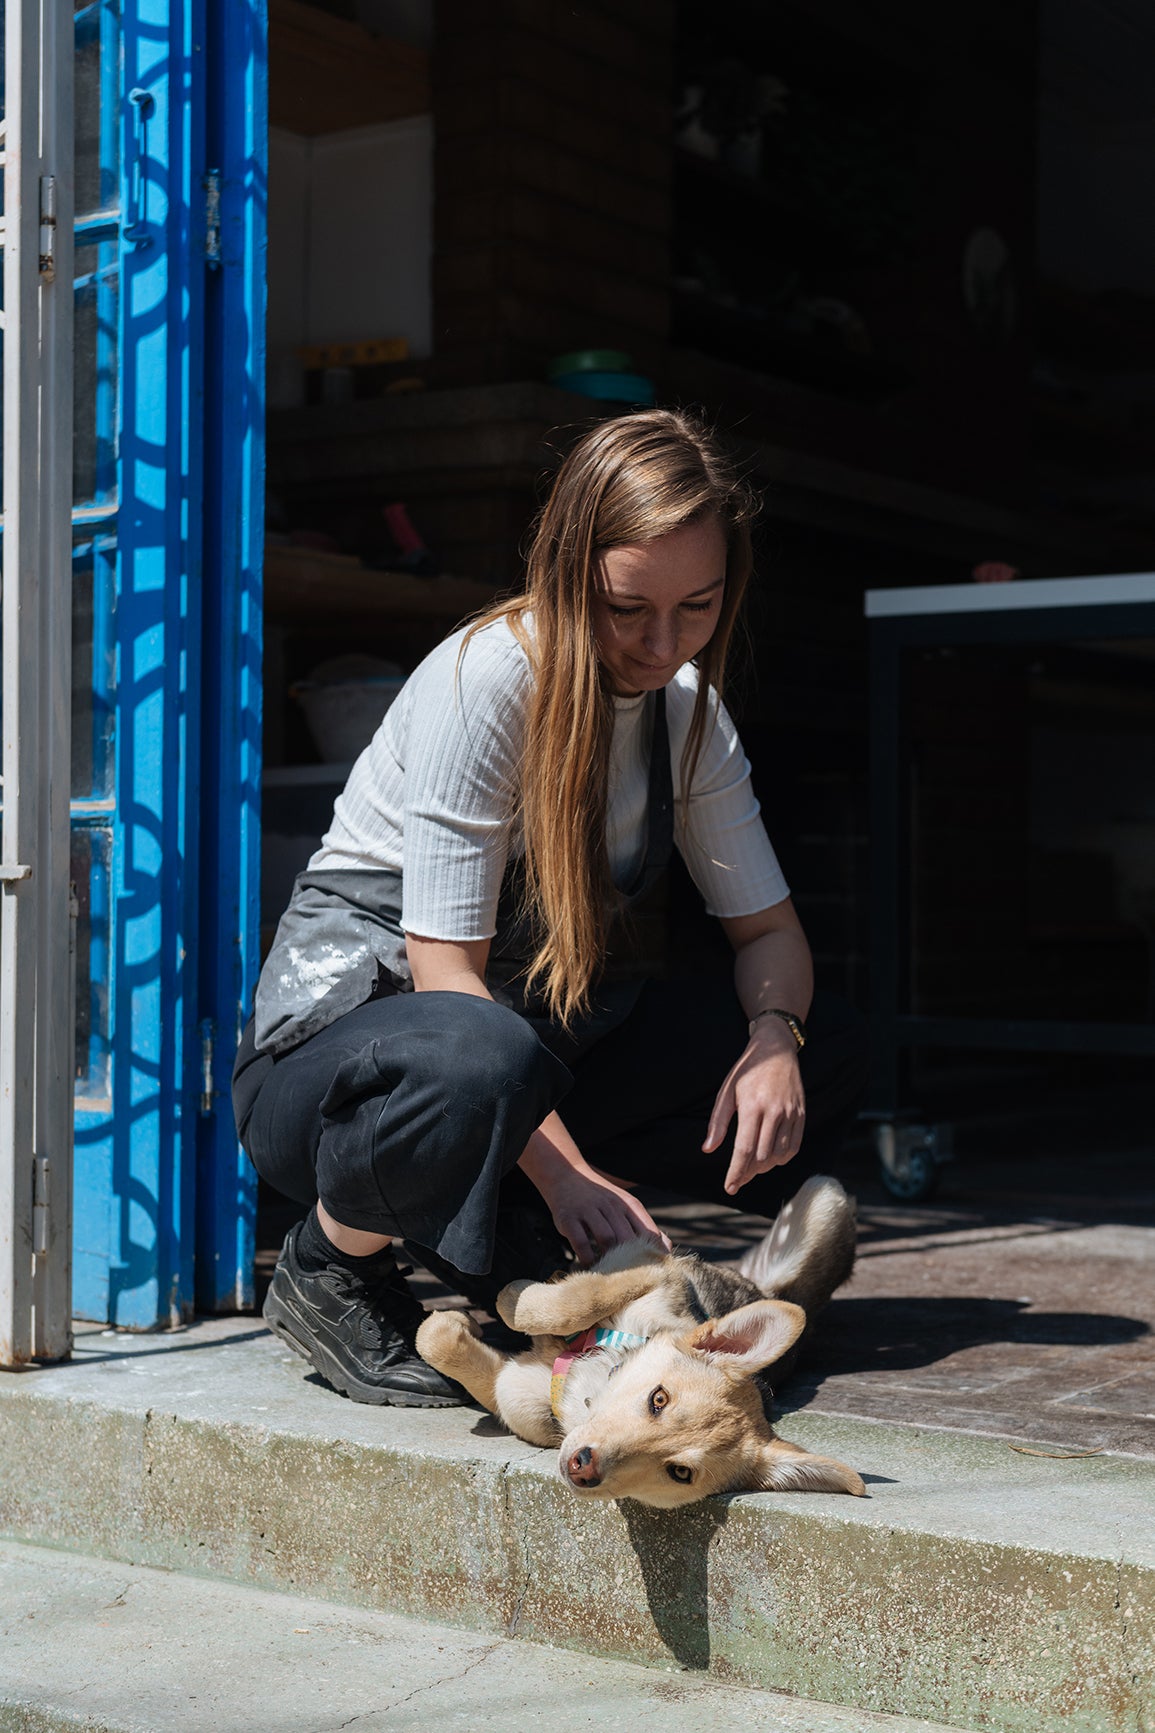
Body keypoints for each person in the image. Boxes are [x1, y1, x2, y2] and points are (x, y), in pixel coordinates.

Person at [232, 409, 868, 1408]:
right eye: (629, 609)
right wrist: (568, 1174)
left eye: (697, 608)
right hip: (345, 1070)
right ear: (571, 568)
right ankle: (329, 1262)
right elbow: (448, 979)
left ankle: (631, 1271)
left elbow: (769, 932)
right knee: (483, 1057)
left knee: (826, 1046)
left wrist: (776, 1038)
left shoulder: (687, 712)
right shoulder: (490, 675)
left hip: (515, 1052)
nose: (662, 645)